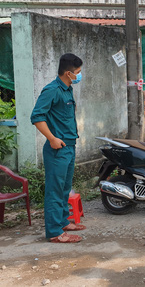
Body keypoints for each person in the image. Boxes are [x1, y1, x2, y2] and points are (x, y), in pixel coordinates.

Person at [30, 53, 86, 243]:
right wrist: (52, 138)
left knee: (64, 188)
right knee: (55, 190)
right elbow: (37, 116)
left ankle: (63, 222)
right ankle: (55, 232)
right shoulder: (52, 90)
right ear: (68, 73)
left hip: (70, 146)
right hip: (58, 148)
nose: (79, 75)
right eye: (78, 72)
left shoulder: (67, 89)